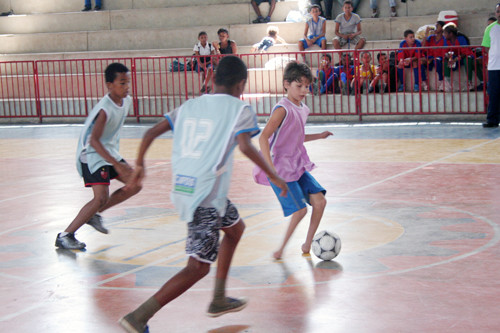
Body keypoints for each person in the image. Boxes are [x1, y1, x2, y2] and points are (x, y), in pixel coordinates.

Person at [118, 56, 288, 333]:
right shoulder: (240, 108)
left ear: (212, 79)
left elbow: (150, 133)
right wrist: (273, 174)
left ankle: (219, 298)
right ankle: (139, 316)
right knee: (197, 267)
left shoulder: (191, 105)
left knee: (235, 229)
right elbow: (245, 147)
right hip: (206, 196)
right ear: (241, 84)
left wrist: (140, 165)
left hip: (190, 187)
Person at [55, 63, 142, 250]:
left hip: (108, 151)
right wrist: (116, 164)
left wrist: (116, 160)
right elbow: (94, 141)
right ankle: (65, 235)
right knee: (100, 197)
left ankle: (94, 214)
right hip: (91, 154)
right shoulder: (104, 109)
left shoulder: (126, 101)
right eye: (122, 83)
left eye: (128, 83)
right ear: (109, 85)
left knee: (135, 184)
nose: (127, 87)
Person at [253, 62, 333, 260]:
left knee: (320, 202)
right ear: (286, 84)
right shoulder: (282, 109)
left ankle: (307, 244)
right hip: (279, 167)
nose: (304, 90)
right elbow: (263, 137)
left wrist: (319, 136)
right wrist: (271, 171)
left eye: (307, 86)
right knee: (300, 210)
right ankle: (280, 249)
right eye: (300, 86)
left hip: (296, 164)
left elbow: (297, 136)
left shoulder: (303, 108)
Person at [442, 25, 483, 92]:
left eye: (445, 33)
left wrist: (456, 59)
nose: (444, 35)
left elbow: (465, 52)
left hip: (464, 56)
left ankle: (469, 83)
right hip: (455, 57)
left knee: (468, 59)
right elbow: (445, 50)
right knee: (445, 61)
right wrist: (448, 57)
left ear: (451, 34)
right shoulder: (446, 40)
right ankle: (448, 84)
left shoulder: (461, 38)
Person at [482, 3, 500, 128]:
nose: (499, 13)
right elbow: (486, 47)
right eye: (498, 11)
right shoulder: (490, 28)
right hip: (494, 67)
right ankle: (492, 120)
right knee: (494, 94)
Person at [422, 21, 448, 91]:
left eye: (438, 26)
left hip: (439, 58)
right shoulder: (431, 37)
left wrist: (433, 59)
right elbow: (423, 47)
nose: (435, 27)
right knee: (420, 61)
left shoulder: (444, 38)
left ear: (442, 28)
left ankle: (441, 80)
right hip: (430, 57)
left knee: (437, 61)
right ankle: (424, 81)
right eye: (435, 26)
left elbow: (445, 51)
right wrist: (426, 34)